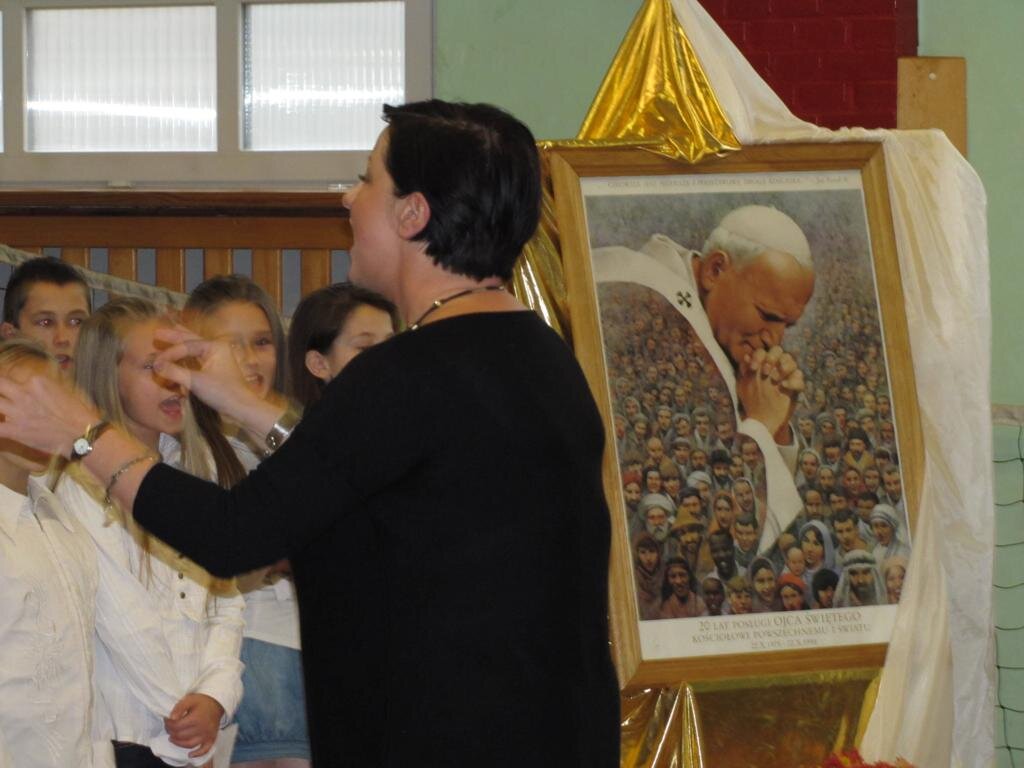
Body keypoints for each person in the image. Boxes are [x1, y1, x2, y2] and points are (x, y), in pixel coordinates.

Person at [0, 100, 620, 767]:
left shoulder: (405, 375)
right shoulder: (542, 358)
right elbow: (361, 479)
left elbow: (234, 534)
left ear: (412, 214)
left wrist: (82, 431)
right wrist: (244, 402)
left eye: (368, 179)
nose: (348, 198)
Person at [55, 297, 245, 767]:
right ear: (108, 377)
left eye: (181, 365)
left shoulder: (191, 470)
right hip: (133, 737)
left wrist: (216, 696)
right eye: (153, 367)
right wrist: (182, 723)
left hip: (195, 735)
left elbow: (227, 599)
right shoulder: (82, 487)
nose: (174, 381)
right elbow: (123, 620)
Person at [592, 205, 816, 550]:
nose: (775, 340)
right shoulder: (645, 312)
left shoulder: (705, 319)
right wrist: (762, 424)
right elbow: (726, 533)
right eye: (767, 315)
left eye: (787, 325)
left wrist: (778, 424)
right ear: (715, 270)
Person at [184, 275, 311, 768]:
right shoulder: (187, 451)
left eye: (261, 342)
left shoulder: (289, 434)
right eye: (230, 345)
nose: (250, 360)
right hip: (248, 656)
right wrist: (279, 555)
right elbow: (200, 580)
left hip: (308, 645)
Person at [0, 340, 100, 768]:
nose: (42, 422)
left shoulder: (61, 518)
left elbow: (84, 670)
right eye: (24, 404)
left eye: (53, 406)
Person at [0, 256, 91, 378]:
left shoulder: (107, 386)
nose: (62, 339)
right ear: (10, 335)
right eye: (46, 322)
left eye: (76, 321)